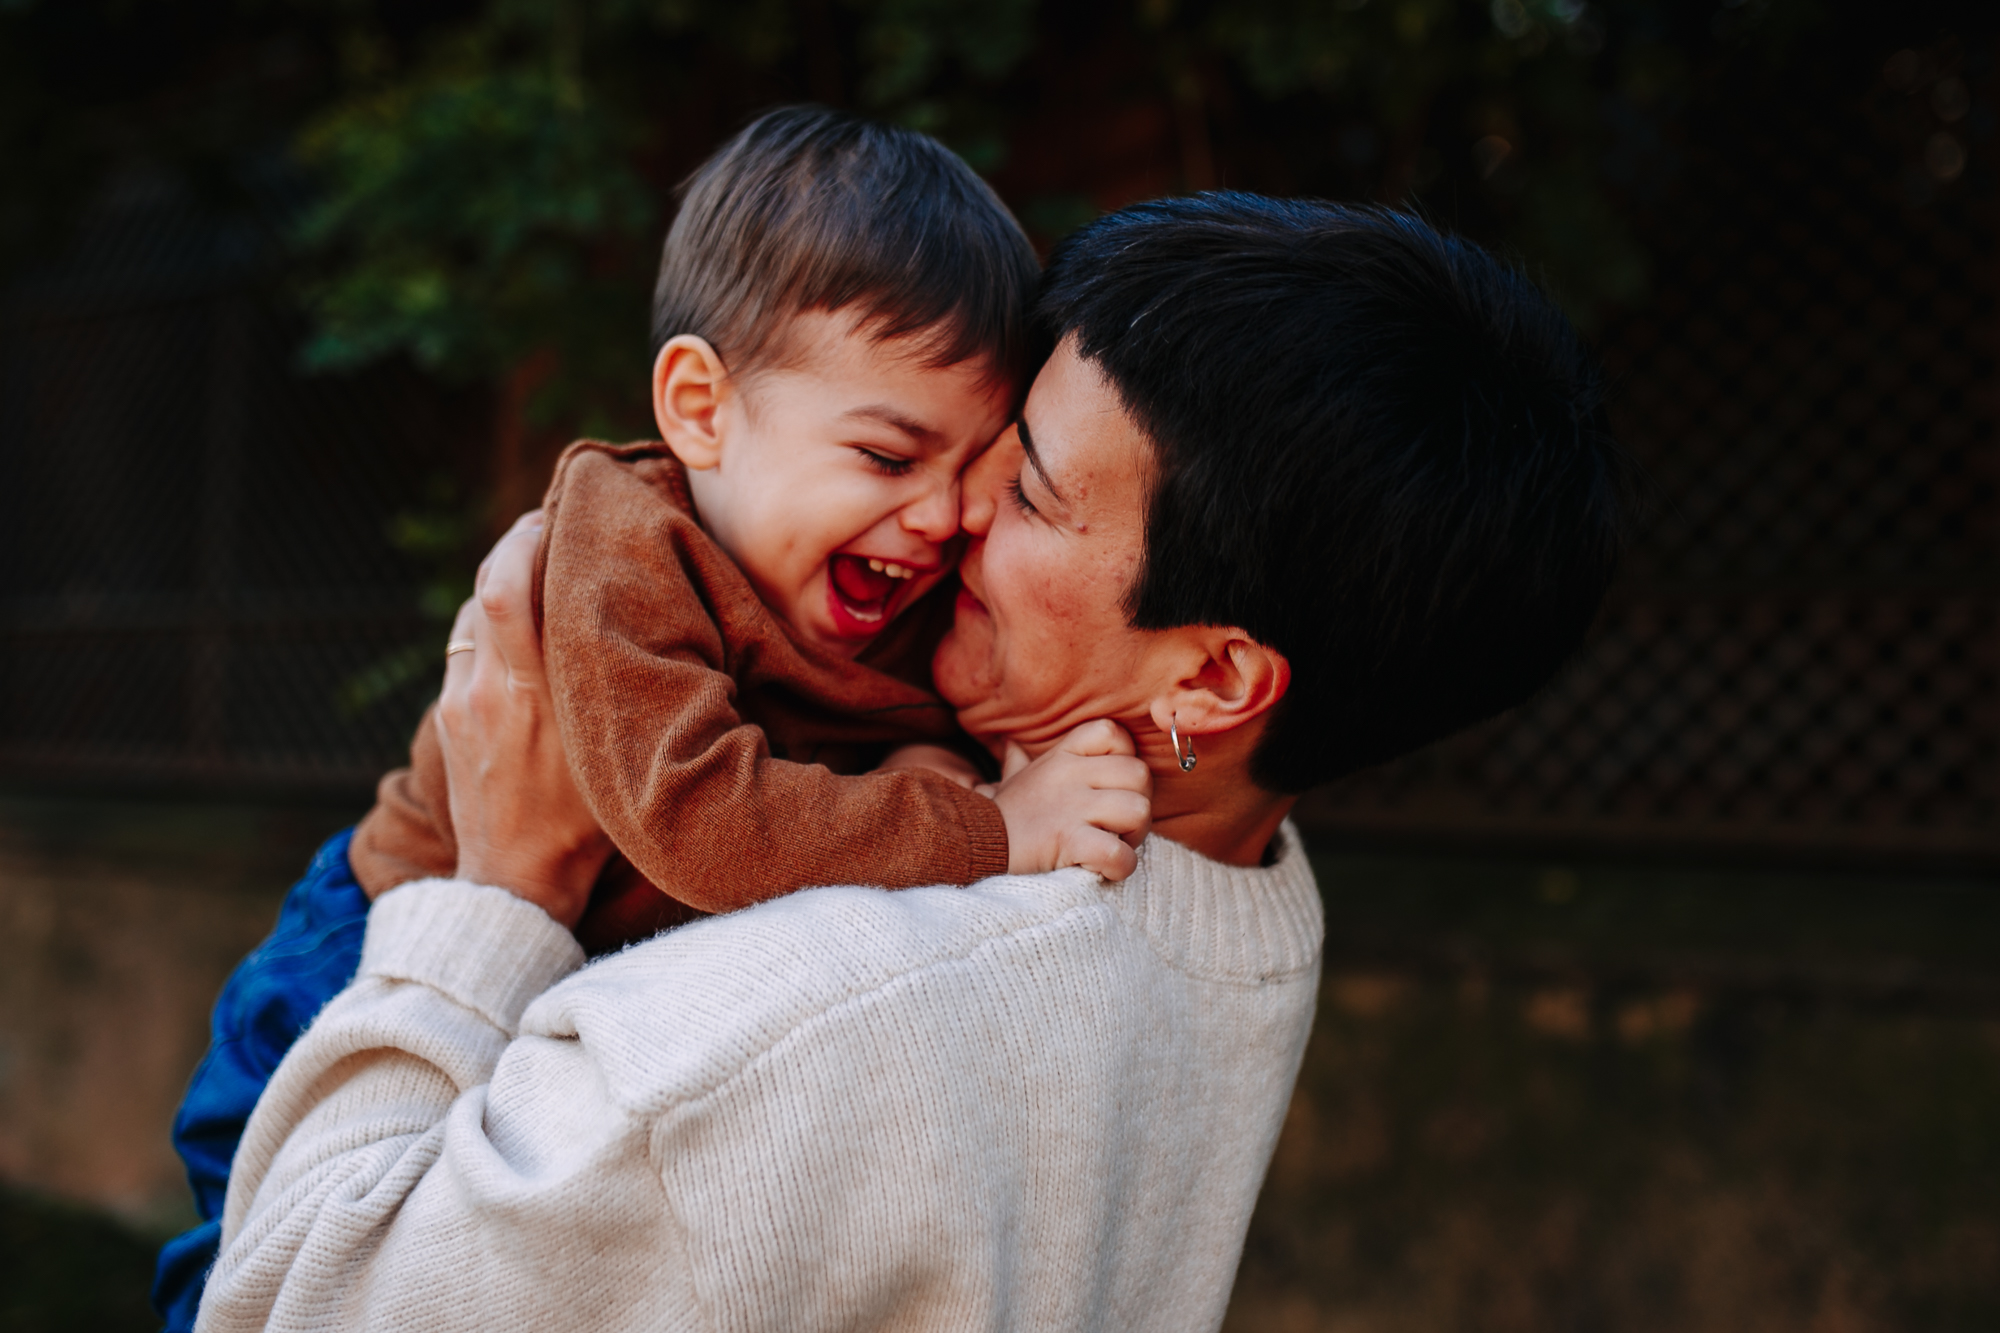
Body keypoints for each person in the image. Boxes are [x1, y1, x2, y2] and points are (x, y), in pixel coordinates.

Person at [192, 194, 1629, 1331]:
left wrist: (497, 896)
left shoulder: (789, 1036)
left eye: (1032, 490)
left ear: (1211, 676)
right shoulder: (1252, 917)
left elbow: (286, 1308)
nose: (953, 513)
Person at [154, 107, 1151, 1328]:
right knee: (247, 1262)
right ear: (698, 407)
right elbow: (702, 822)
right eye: (890, 458)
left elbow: (895, 739)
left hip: (564, 983)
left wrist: (929, 761)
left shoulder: (868, 565)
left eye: (972, 468)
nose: (945, 518)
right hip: (360, 959)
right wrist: (995, 830)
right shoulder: (624, 554)